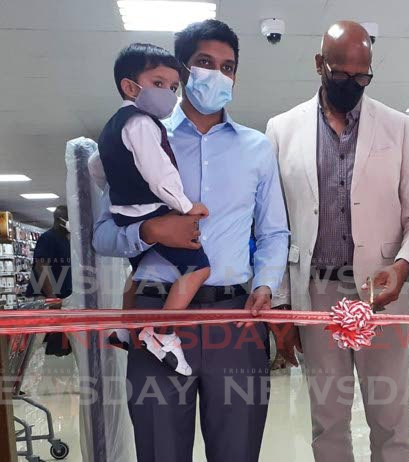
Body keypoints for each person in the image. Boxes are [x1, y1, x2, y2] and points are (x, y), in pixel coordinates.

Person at [93, 19, 290, 461]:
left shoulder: (257, 149)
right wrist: (150, 231)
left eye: (228, 66)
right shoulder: (139, 137)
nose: (217, 74)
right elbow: (103, 234)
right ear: (182, 70)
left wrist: (265, 285)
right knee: (160, 450)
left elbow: (274, 231)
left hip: (235, 321)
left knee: (237, 450)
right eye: (205, 62)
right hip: (155, 318)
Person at [267, 21, 409, 462]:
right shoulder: (281, 129)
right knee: (327, 421)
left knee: (390, 419)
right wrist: (282, 308)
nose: (353, 86)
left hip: (383, 292)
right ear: (319, 65)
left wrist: (402, 267)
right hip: (317, 293)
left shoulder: (398, 128)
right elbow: (274, 227)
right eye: (341, 76)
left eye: (363, 78)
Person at [94, 42, 211, 376]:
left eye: (174, 87)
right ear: (130, 87)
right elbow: (161, 177)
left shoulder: (111, 127)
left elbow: (95, 167)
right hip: (149, 211)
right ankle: (163, 333)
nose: (169, 94)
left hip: (124, 211)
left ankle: (121, 328)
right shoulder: (143, 125)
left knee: (137, 269)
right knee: (198, 269)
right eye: (159, 84)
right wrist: (188, 207)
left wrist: (119, 185)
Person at [27, 206, 73, 356]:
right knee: (36, 345)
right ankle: (27, 375)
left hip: (60, 298)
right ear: (60, 220)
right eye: (69, 218)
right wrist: (52, 297)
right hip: (46, 298)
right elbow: (41, 267)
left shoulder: (65, 240)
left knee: (57, 342)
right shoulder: (48, 238)